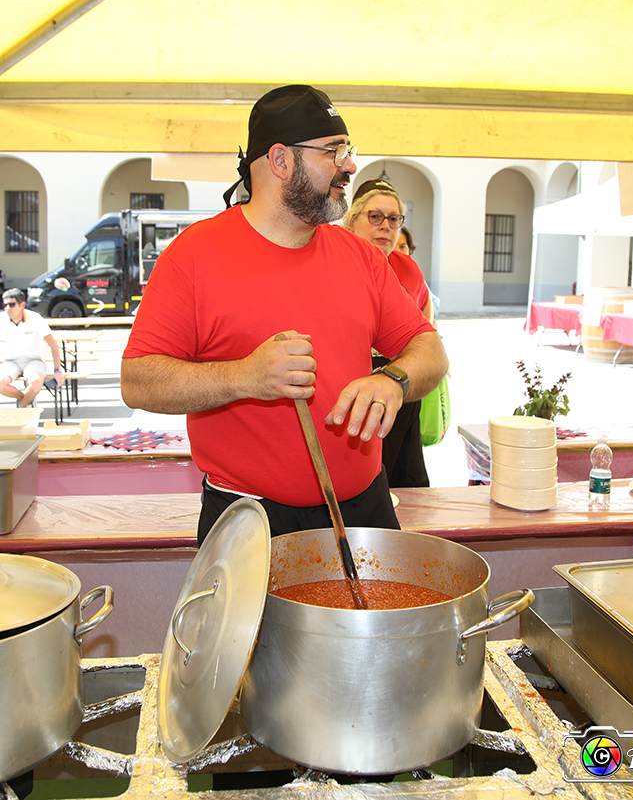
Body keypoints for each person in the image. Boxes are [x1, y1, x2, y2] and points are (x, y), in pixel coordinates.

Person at [122, 84, 448, 544]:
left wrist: (393, 380)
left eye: (348, 151)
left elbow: (429, 348)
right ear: (280, 161)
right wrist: (244, 377)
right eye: (334, 151)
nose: (350, 165)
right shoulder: (194, 255)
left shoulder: (360, 257)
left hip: (364, 510)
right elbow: (137, 381)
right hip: (247, 520)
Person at [343, 179, 433, 487]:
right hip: (354, 382)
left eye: (394, 219)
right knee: (361, 479)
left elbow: (425, 329)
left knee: (403, 477)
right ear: (351, 220)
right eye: (375, 216)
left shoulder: (408, 268)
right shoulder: (335, 262)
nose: (386, 226)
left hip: (398, 381)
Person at [0, 288, 63, 407]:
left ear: (22, 304)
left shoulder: (35, 318)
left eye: (12, 304)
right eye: (5, 305)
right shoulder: (1, 318)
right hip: (11, 361)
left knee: (35, 381)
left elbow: (53, 345)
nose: (8, 308)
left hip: (34, 360)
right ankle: (25, 399)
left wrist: (57, 370)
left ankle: (22, 406)